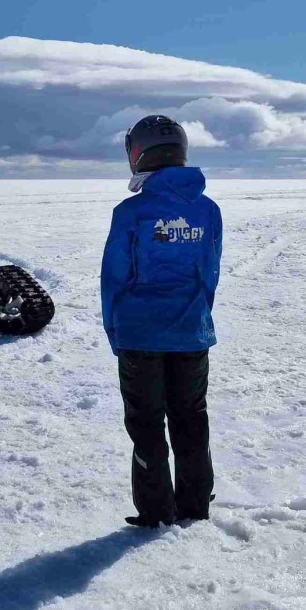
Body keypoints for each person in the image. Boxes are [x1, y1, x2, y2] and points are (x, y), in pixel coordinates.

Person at [100, 114, 223, 528]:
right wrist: (196, 317)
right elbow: (209, 272)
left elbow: (115, 277)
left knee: (147, 424)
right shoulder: (208, 211)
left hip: (140, 335)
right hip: (191, 332)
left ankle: (155, 512)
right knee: (192, 418)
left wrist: (115, 331)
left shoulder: (131, 212)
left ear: (138, 153)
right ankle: (195, 506)